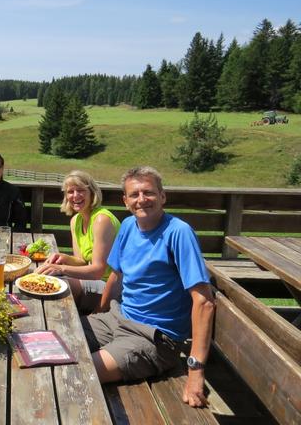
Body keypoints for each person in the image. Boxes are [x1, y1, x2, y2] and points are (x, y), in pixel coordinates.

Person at [84, 166, 215, 408]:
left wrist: (195, 371)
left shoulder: (179, 233)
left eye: (149, 193)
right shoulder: (128, 226)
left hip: (154, 337)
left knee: (81, 372)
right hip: (117, 316)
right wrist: (99, 313)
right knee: (62, 340)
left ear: (162, 196)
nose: (142, 200)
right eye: (134, 194)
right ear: (125, 201)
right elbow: (116, 276)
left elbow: (204, 302)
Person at [37, 170, 120, 313]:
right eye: (70, 192)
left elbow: (97, 272)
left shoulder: (101, 219)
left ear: (92, 193)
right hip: (94, 281)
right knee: (44, 279)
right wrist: (65, 258)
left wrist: (61, 268)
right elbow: (81, 261)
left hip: (111, 288)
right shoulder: (76, 220)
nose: (75, 196)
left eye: (81, 190)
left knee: (56, 284)